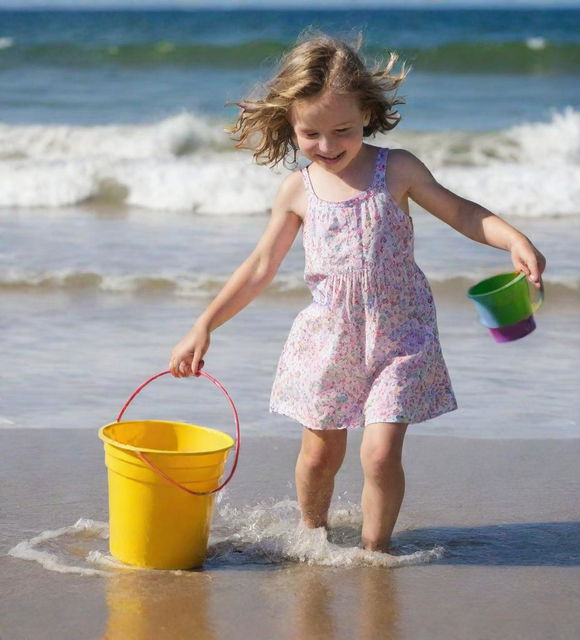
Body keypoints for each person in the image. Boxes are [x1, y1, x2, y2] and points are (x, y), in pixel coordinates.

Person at [169, 32, 546, 553]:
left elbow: (462, 212)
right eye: (311, 133)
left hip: (401, 334)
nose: (327, 146)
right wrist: (203, 324)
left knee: (378, 453)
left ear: (367, 113)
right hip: (329, 338)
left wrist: (514, 239)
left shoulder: (399, 170)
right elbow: (259, 267)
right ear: (291, 125)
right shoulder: (298, 190)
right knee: (320, 456)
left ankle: (374, 552)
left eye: (342, 130)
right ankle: (311, 536)